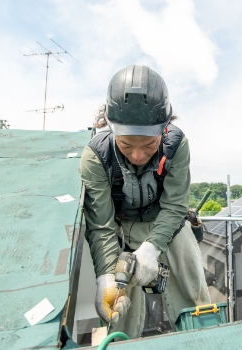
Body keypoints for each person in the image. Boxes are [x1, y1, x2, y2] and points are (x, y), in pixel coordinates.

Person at [80, 64, 210, 339]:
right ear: (112, 130)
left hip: (170, 222)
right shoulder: (96, 156)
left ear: (163, 130)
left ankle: (203, 339)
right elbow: (101, 225)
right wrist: (105, 275)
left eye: (148, 145)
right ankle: (120, 342)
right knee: (119, 303)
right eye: (127, 145)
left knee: (195, 292)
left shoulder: (177, 145)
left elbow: (175, 206)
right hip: (122, 227)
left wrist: (151, 250)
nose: (138, 156)